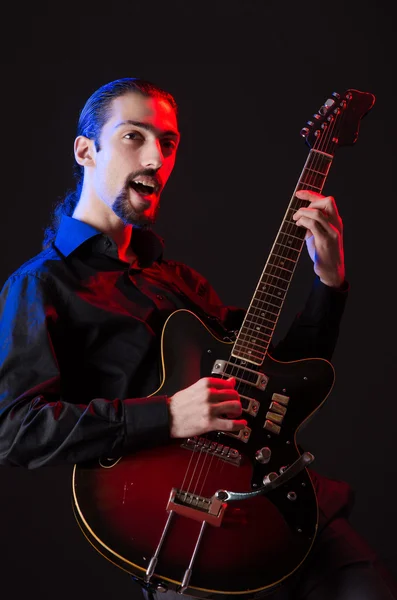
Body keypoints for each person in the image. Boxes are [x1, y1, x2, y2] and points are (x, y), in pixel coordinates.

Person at [0, 77, 395, 600]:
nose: (154, 158)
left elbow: (281, 379)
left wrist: (329, 281)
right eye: (133, 137)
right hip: (186, 532)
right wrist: (165, 416)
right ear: (85, 150)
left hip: (286, 508)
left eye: (167, 143)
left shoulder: (176, 280)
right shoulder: (40, 285)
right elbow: (12, 428)